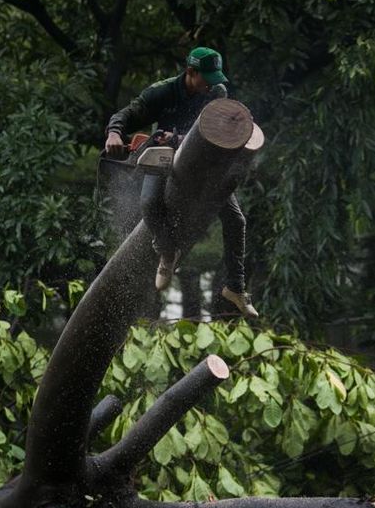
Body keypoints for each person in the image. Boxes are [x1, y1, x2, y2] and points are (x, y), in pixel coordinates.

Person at [103, 46, 258, 318]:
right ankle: (166, 251)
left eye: (215, 78)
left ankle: (235, 287)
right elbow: (124, 115)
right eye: (206, 79)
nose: (212, 85)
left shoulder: (216, 92)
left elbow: (219, 127)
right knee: (149, 202)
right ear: (191, 72)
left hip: (207, 162)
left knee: (236, 220)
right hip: (164, 157)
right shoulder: (162, 91)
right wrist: (114, 134)